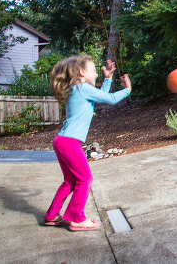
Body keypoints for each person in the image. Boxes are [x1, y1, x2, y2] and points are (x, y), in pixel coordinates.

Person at [44, 55, 132, 231]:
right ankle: (76, 218)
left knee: (70, 181)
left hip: (61, 140)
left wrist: (108, 79)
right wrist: (128, 90)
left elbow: (101, 95)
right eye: (93, 71)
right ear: (82, 72)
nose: (96, 75)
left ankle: (52, 215)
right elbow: (112, 99)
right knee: (85, 179)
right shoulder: (83, 88)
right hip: (70, 142)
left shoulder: (77, 89)